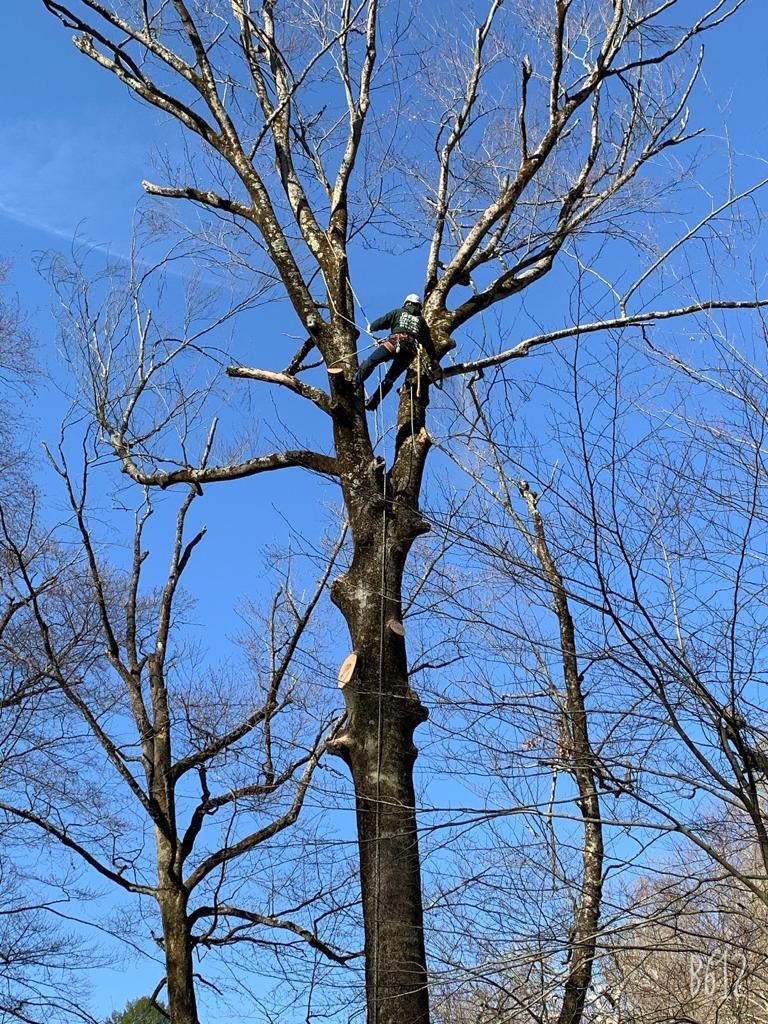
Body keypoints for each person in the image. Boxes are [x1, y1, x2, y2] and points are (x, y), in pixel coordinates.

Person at [352, 293, 441, 410]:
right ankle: (373, 403)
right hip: (409, 352)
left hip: (395, 343)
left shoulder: (398, 312)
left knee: (371, 361)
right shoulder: (421, 321)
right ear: (419, 306)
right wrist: (433, 359)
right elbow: (428, 343)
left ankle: (353, 385)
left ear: (407, 303)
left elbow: (383, 321)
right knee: (390, 379)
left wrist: (372, 327)